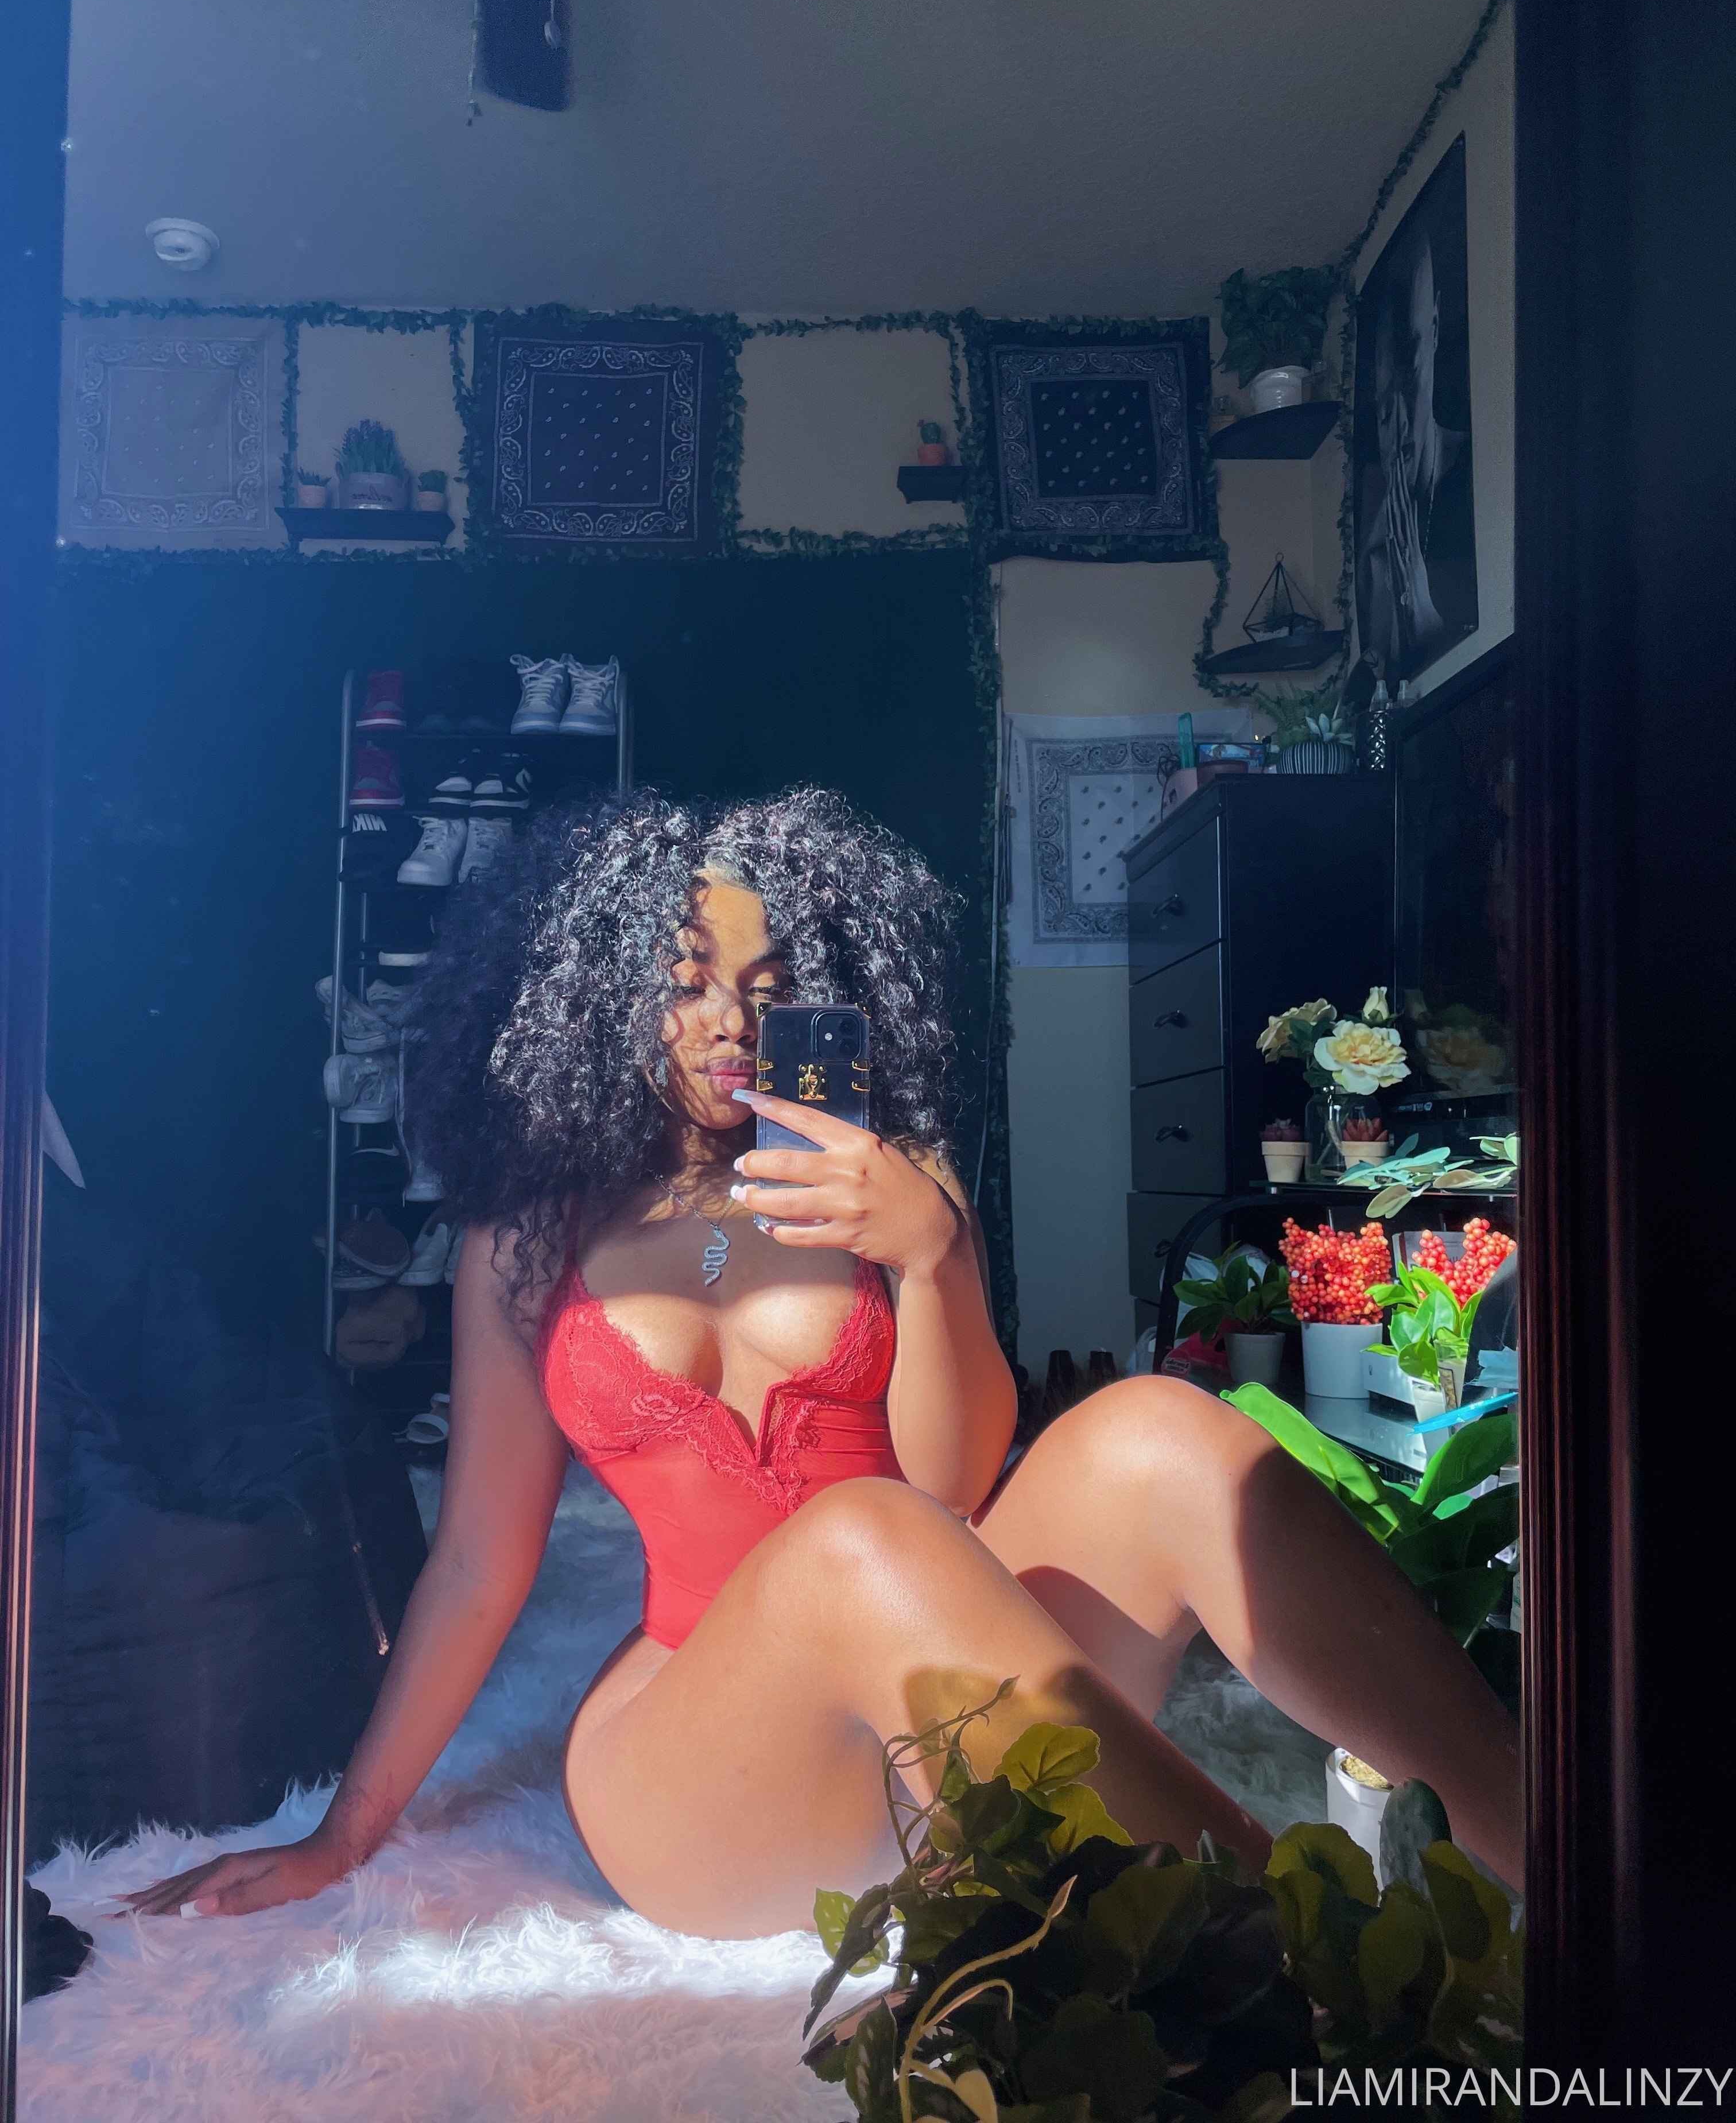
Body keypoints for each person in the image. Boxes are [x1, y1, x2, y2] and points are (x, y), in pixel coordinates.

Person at [126, 788, 1521, 1936]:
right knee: (862, 1536)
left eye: (766, 989)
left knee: (1156, 1424)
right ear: (597, 999)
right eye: (684, 986)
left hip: (949, 1694)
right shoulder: (528, 1237)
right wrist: (344, 1835)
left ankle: (1561, 1863)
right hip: (710, 1767)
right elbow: (480, 1563)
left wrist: (932, 1255)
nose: (729, 1024)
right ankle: (1316, 1982)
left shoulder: (884, 1181)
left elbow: (955, 1486)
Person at [1357, 221, 1477, 679]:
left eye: (1410, 367)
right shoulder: (1379, 525)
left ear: (1436, 328)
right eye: (1384, 401)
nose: (1400, 418)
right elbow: (1379, 669)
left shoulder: (1473, 480)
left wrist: (1422, 607)